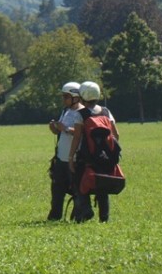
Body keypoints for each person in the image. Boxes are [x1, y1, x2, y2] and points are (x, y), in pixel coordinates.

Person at [69, 81, 118, 222]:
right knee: (102, 186)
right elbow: (116, 135)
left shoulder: (81, 114)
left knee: (79, 184)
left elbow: (77, 137)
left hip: (86, 157)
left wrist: (71, 157)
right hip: (105, 158)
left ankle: (86, 210)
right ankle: (104, 218)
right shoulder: (106, 111)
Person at [47, 82, 83, 221]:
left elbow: (81, 132)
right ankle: (55, 216)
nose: (64, 99)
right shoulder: (66, 111)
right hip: (61, 158)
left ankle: (78, 216)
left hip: (74, 159)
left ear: (75, 97)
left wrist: (66, 129)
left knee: (76, 190)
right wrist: (54, 128)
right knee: (57, 189)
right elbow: (60, 131)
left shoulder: (82, 112)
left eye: (66, 96)